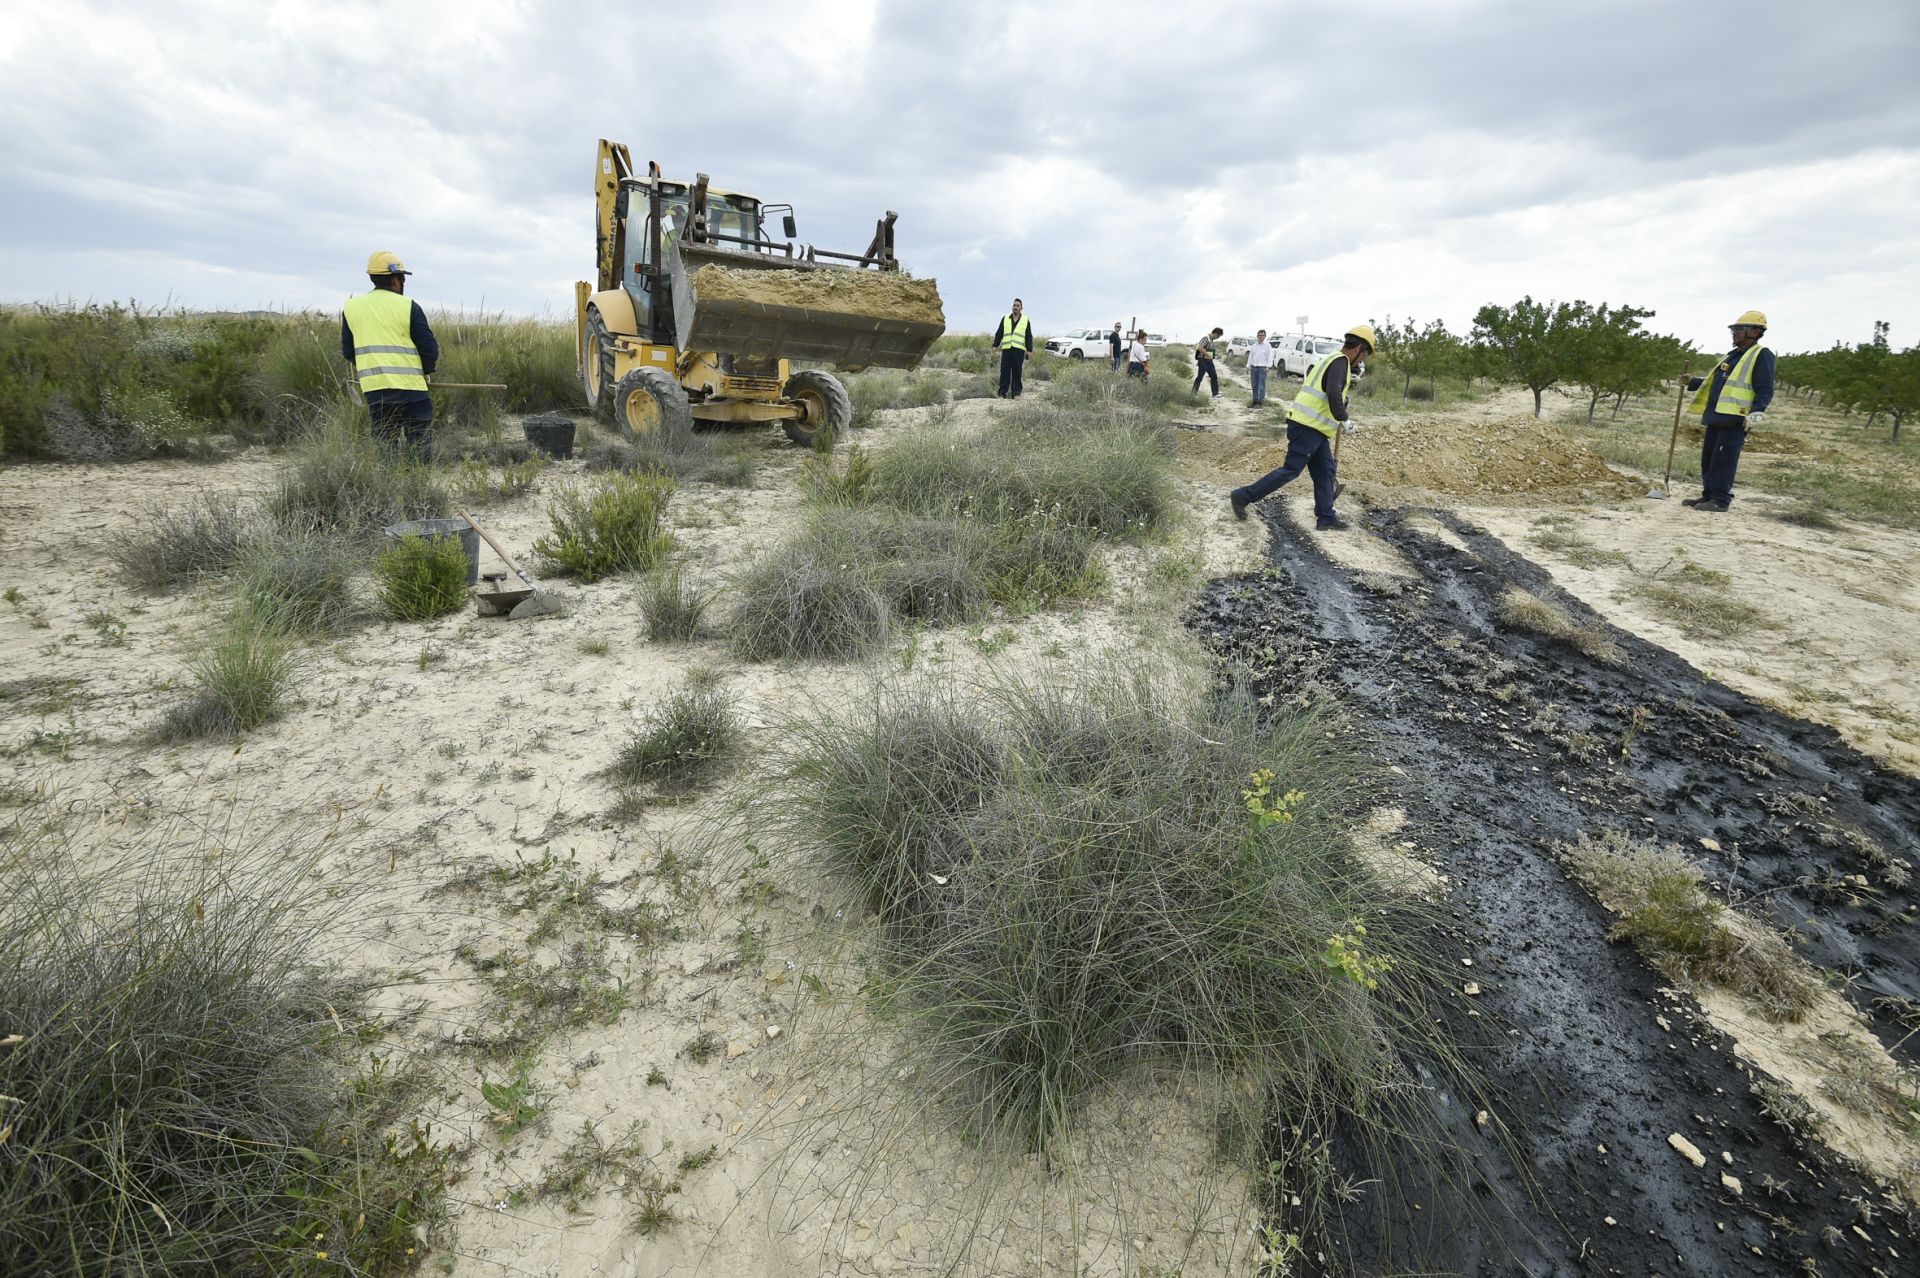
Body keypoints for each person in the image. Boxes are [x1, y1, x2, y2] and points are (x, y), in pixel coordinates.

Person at [1229, 324, 1376, 531]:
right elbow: (1333, 393)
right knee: (1290, 470)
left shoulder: (1332, 359)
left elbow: (1330, 392)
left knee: (1325, 470)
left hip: (1314, 429)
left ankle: (1325, 516)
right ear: (1357, 348)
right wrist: (1344, 419)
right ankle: (1243, 496)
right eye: (1365, 354)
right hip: (1307, 428)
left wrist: (1342, 401)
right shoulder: (1340, 362)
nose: (1363, 359)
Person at [342, 251, 440, 459]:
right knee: (419, 443)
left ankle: (389, 488)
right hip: (412, 391)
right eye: (403, 278)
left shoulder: (351, 308)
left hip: (376, 392)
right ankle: (418, 488)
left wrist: (375, 371)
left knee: (385, 444)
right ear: (396, 279)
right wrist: (426, 371)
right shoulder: (408, 306)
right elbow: (429, 348)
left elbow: (350, 352)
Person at [1680, 310, 1774, 512]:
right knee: (1710, 460)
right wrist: (1694, 382)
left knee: (1724, 462)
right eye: (1735, 329)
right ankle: (1708, 496)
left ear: (1756, 332)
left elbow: (1765, 387)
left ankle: (1721, 500)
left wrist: (1757, 412)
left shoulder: (1761, 355)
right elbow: (1717, 383)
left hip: (1734, 418)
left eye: (1741, 329)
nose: (1735, 333)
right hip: (1716, 417)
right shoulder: (1732, 356)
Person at [991, 298, 1035, 398]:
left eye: (1017, 306)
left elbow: (1028, 336)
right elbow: (999, 333)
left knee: (1017, 372)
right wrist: (995, 345)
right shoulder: (1005, 318)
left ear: (1021, 308)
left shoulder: (1025, 320)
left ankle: (1016, 394)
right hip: (1006, 349)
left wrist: (1029, 350)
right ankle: (1002, 393)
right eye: (1014, 305)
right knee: (1004, 372)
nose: (1015, 307)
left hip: (1019, 350)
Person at [1246, 328, 1275, 406]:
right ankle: (1255, 401)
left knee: (1261, 386)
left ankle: (1261, 402)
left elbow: (1270, 357)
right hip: (1254, 368)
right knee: (1254, 385)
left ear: (1265, 336)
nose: (1261, 337)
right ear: (1257, 336)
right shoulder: (1254, 346)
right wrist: (1248, 366)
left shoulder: (1267, 346)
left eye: (1262, 335)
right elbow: (1251, 356)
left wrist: (1268, 366)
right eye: (1259, 335)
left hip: (1263, 368)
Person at [1192, 327, 1224, 397]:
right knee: (1200, 377)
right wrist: (1207, 355)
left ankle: (1215, 394)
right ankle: (1193, 394)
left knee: (1214, 376)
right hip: (1203, 361)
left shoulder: (1211, 340)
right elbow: (1199, 348)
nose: (1218, 337)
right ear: (1215, 333)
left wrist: (1211, 357)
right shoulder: (1206, 338)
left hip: (1209, 362)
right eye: (1218, 336)